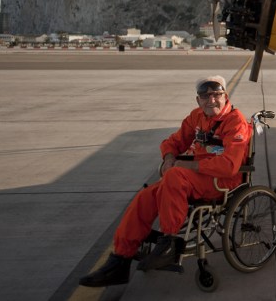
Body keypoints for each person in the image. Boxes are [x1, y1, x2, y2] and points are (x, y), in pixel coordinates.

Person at [79, 75, 251, 287]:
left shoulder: (235, 122)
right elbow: (174, 142)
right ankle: (119, 262)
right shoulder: (196, 117)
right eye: (205, 96)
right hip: (190, 179)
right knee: (145, 197)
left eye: (216, 95)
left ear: (225, 96)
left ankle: (169, 242)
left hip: (220, 182)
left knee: (174, 175)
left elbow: (229, 166)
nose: (211, 100)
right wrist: (170, 157)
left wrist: (185, 166)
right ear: (198, 100)